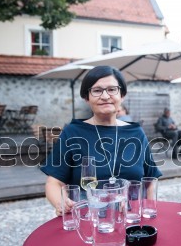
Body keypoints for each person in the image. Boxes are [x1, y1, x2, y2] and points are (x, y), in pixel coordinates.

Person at [41, 66, 161, 216]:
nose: (105, 96)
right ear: (87, 97)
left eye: (112, 89)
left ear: (122, 95)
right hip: (89, 220)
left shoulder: (136, 133)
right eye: (97, 91)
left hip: (132, 220)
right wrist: (62, 203)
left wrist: (149, 214)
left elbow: (150, 181)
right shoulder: (73, 132)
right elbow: (54, 182)